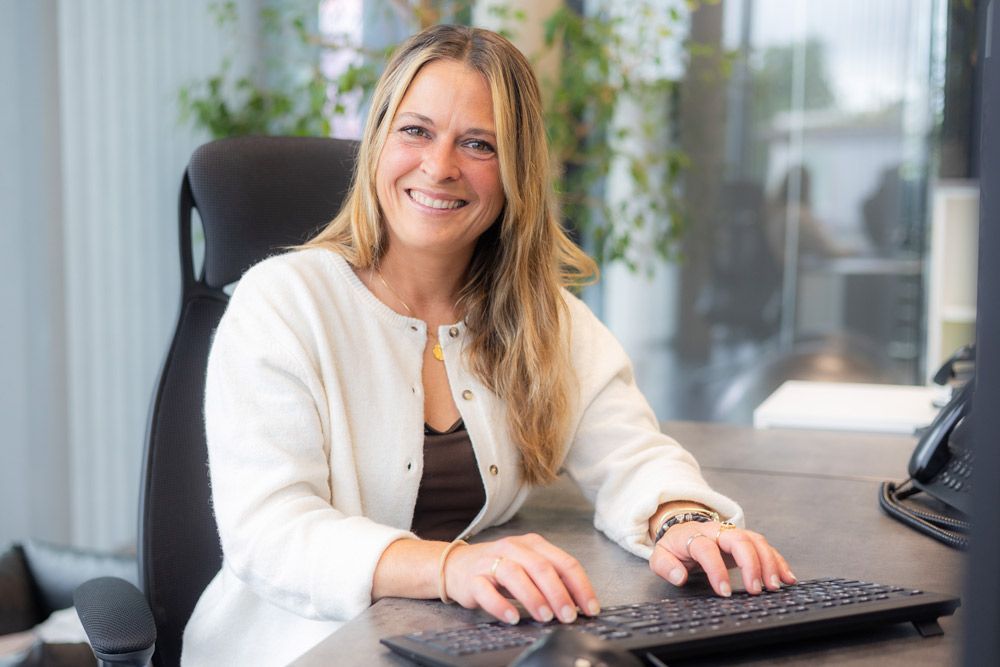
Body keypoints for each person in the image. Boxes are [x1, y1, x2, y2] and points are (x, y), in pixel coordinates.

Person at [182, 24, 795, 665]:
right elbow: (270, 530)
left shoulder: (542, 317)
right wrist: (450, 567)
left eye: (479, 144)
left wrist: (685, 521)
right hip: (295, 644)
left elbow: (632, 454)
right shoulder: (284, 302)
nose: (440, 167)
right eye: (416, 131)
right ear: (377, 142)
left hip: (454, 640)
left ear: (515, 172)